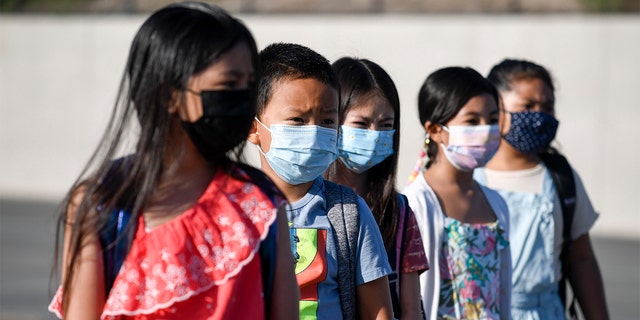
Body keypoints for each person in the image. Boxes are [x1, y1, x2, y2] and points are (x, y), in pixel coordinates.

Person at [48, 2, 299, 319]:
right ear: (169, 96)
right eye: (229, 84)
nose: (244, 98)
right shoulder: (102, 204)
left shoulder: (260, 204)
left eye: (249, 84)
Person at [247, 43, 393, 320]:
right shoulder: (233, 212)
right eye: (297, 120)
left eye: (327, 121)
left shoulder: (348, 212)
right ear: (254, 129)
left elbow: (378, 312)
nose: (313, 133)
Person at [474, 58, 609, 319]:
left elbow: (582, 259)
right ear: (495, 108)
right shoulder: (471, 176)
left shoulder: (561, 178)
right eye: (528, 107)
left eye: (547, 107)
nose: (539, 117)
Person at [324, 57, 429, 320]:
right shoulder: (308, 204)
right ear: (332, 120)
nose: (374, 134)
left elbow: (411, 309)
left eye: (385, 125)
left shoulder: (400, 212)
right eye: (361, 124)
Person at [402, 67, 512, 320]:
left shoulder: (496, 203)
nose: (485, 130)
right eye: (472, 121)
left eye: (492, 119)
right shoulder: (417, 202)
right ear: (435, 130)